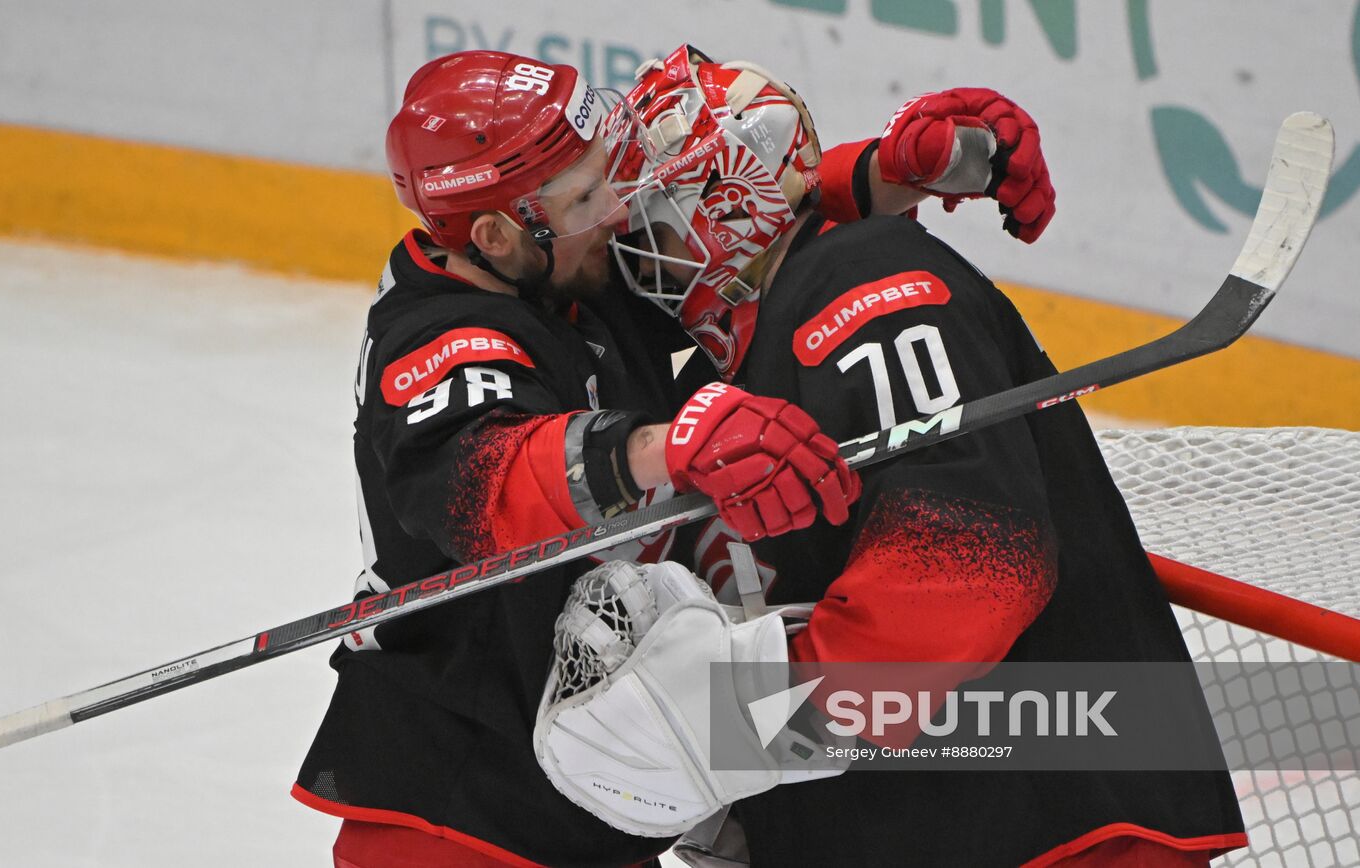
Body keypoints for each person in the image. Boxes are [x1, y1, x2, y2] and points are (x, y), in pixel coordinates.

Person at [292, 48, 1057, 867]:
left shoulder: (554, 266)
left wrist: (874, 175)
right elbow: (489, 481)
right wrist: (664, 450)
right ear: (496, 233)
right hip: (455, 821)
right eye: (588, 194)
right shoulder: (438, 342)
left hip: (578, 805)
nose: (619, 210)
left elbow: (688, 233)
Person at [551, 45, 1247, 866]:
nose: (629, 244)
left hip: (1057, 828)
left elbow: (969, 562)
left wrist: (747, 727)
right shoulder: (731, 367)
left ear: (725, 204)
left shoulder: (859, 281)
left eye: (652, 217)